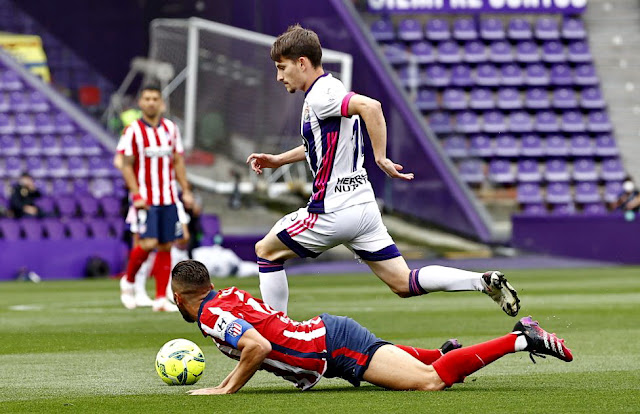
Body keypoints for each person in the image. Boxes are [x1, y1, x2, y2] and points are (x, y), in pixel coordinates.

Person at [246, 25, 519, 316]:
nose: (278, 76)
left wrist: (380, 157)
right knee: (403, 282)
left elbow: (372, 107)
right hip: (362, 206)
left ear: (302, 62)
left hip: (332, 210)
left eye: (281, 67)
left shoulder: (319, 97)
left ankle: (277, 335)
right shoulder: (330, 87)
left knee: (267, 251)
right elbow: (322, 147)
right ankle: (482, 281)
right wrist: (278, 160)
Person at [171, 260, 572, 395]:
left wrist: (224, 389)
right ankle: (446, 353)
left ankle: (522, 338)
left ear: (179, 297)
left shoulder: (208, 315)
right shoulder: (226, 295)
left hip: (333, 346)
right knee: (427, 367)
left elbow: (256, 347)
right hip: (328, 343)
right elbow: (260, 338)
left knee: (429, 383)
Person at [117, 84, 193, 312]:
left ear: (162, 103)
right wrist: (136, 194)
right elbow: (126, 165)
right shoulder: (133, 131)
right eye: (147, 98)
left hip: (168, 196)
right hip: (146, 199)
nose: (151, 102)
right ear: (140, 103)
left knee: (166, 246)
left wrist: (185, 189)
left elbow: (178, 161)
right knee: (147, 243)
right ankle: (128, 283)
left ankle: (161, 298)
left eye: (155, 99)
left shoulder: (170, 129)